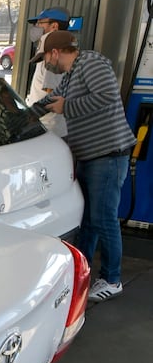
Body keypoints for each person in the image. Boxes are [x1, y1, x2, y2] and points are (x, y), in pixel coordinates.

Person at [41, 30, 136, 302]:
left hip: (107, 156)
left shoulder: (92, 63)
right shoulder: (70, 75)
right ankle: (82, 272)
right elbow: (51, 101)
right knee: (90, 220)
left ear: (56, 52)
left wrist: (67, 107)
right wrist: (20, 115)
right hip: (90, 156)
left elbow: (107, 96)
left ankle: (112, 279)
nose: (46, 62)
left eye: (46, 56)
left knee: (104, 218)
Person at [25, 6, 71, 137]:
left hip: (48, 129)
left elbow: (52, 96)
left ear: (54, 26)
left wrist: (30, 116)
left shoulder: (53, 54)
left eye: (40, 23)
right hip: (49, 128)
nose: (36, 26)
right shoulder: (57, 51)